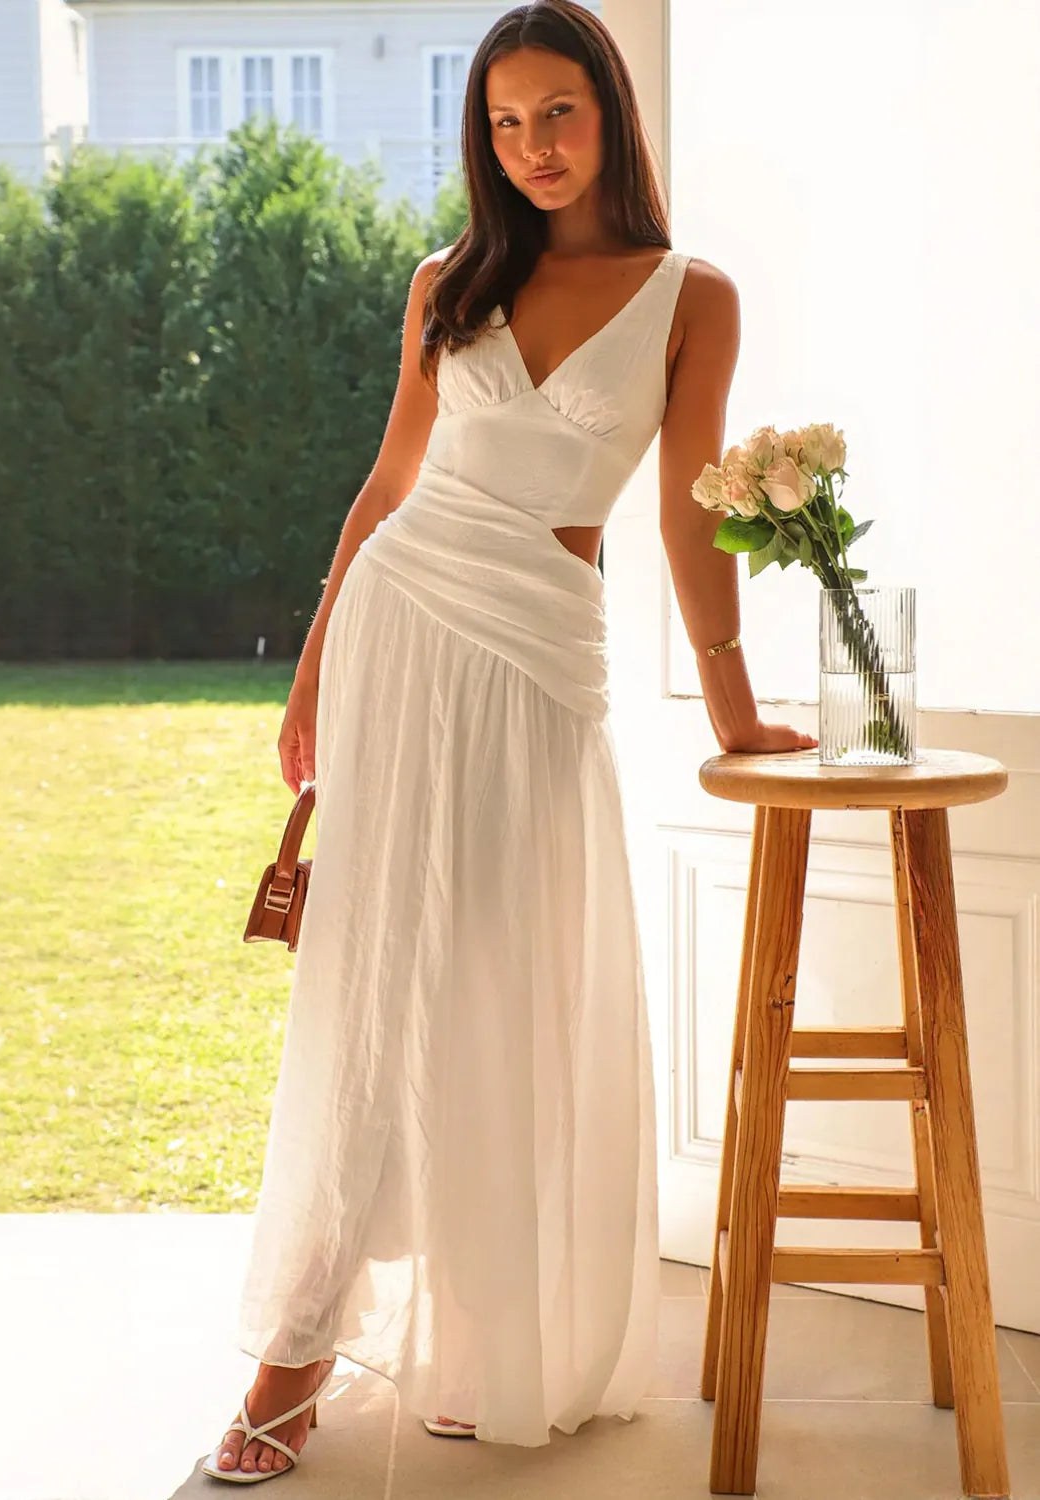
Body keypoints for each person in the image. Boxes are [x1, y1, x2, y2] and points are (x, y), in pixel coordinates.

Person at [202, 0, 816, 1482]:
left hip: (543, 654)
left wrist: (730, 704)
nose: (531, 147)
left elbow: (684, 506)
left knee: (503, 981)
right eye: (501, 121)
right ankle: (290, 1363)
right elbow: (384, 483)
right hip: (406, 630)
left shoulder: (689, 294)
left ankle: (488, 1343)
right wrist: (311, 673)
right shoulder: (444, 283)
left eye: (556, 112)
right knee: (373, 979)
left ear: (608, 112)